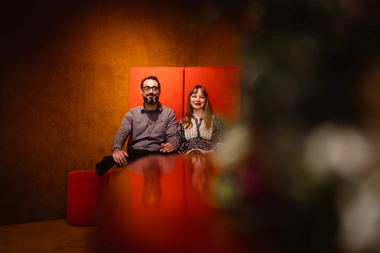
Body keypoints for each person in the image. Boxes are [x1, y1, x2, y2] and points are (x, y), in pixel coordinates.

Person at [96, 76, 179, 177]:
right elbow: (121, 133)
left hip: (158, 154)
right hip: (136, 153)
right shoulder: (132, 114)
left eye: (154, 88)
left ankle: (110, 161)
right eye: (147, 88)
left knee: (160, 157)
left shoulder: (169, 113)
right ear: (141, 91)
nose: (151, 91)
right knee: (138, 156)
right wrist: (116, 149)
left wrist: (172, 144)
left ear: (159, 91)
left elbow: (173, 136)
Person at [177, 85, 224, 154]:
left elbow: (222, 143)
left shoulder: (216, 121)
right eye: (194, 96)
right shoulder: (182, 123)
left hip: (209, 161)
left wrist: (208, 153)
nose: (197, 100)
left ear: (205, 100)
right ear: (190, 99)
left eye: (202, 97)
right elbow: (176, 146)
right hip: (187, 161)